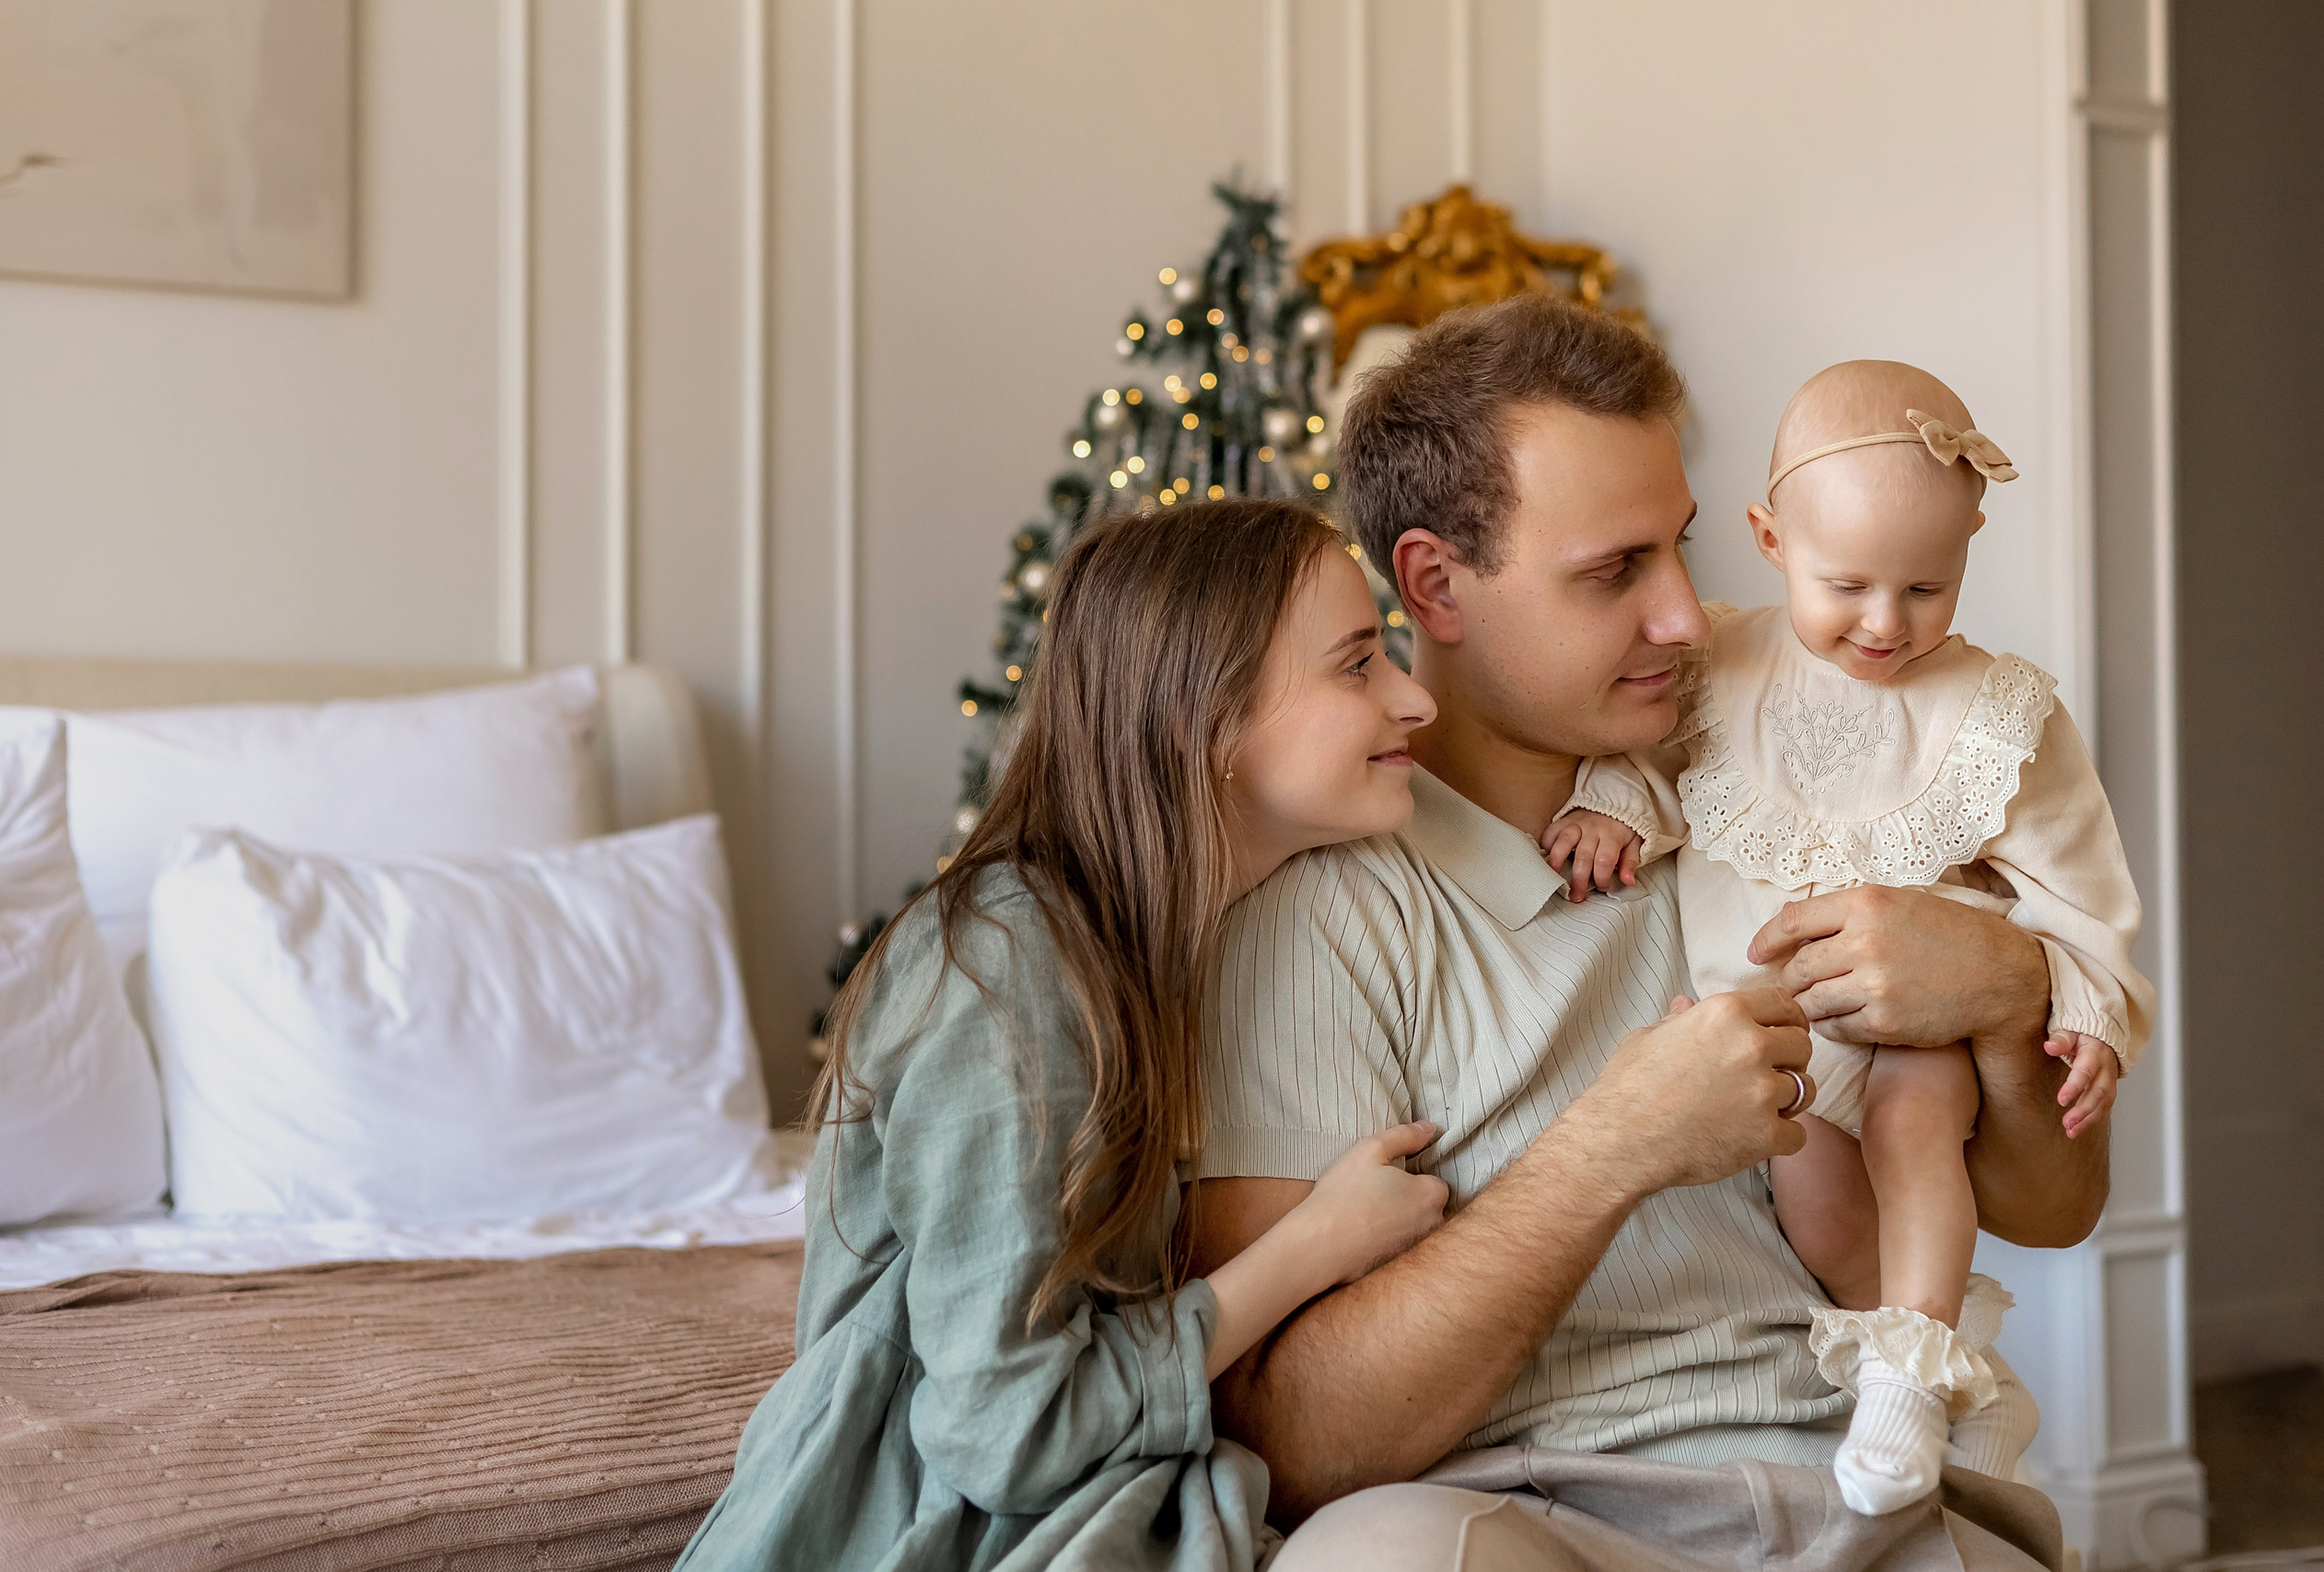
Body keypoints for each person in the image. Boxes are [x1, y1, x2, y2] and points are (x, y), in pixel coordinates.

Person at [1189, 297, 2099, 1570]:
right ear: (1434, 584)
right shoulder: (1318, 917)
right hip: (1539, 1521)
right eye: (1615, 570)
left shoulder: (1763, 781)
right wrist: (1612, 1148)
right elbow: (1294, 1438)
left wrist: (2009, 998)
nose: (1686, 615)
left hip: (1862, 1497)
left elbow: (2058, 1207)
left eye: (1676, 544)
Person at [675, 499, 1448, 1572]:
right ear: (1205, 721)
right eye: (1357, 664)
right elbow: (1008, 1430)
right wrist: (1316, 1244)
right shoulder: (1007, 974)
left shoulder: (1206, 932)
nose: (1414, 698)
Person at [1541, 359, 2151, 1515]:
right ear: (1770, 539)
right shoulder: (1718, 661)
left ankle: (1910, 1381)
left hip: (1920, 1006)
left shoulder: (1993, 711)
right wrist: (1607, 810)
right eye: (1849, 584)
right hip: (1777, 1026)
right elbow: (1658, 768)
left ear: (1972, 540)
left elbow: (2080, 884)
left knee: (1915, 1129)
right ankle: (1969, 1383)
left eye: (1928, 586)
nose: (1886, 623)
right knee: (1820, 1208)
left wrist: (2085, 1007)